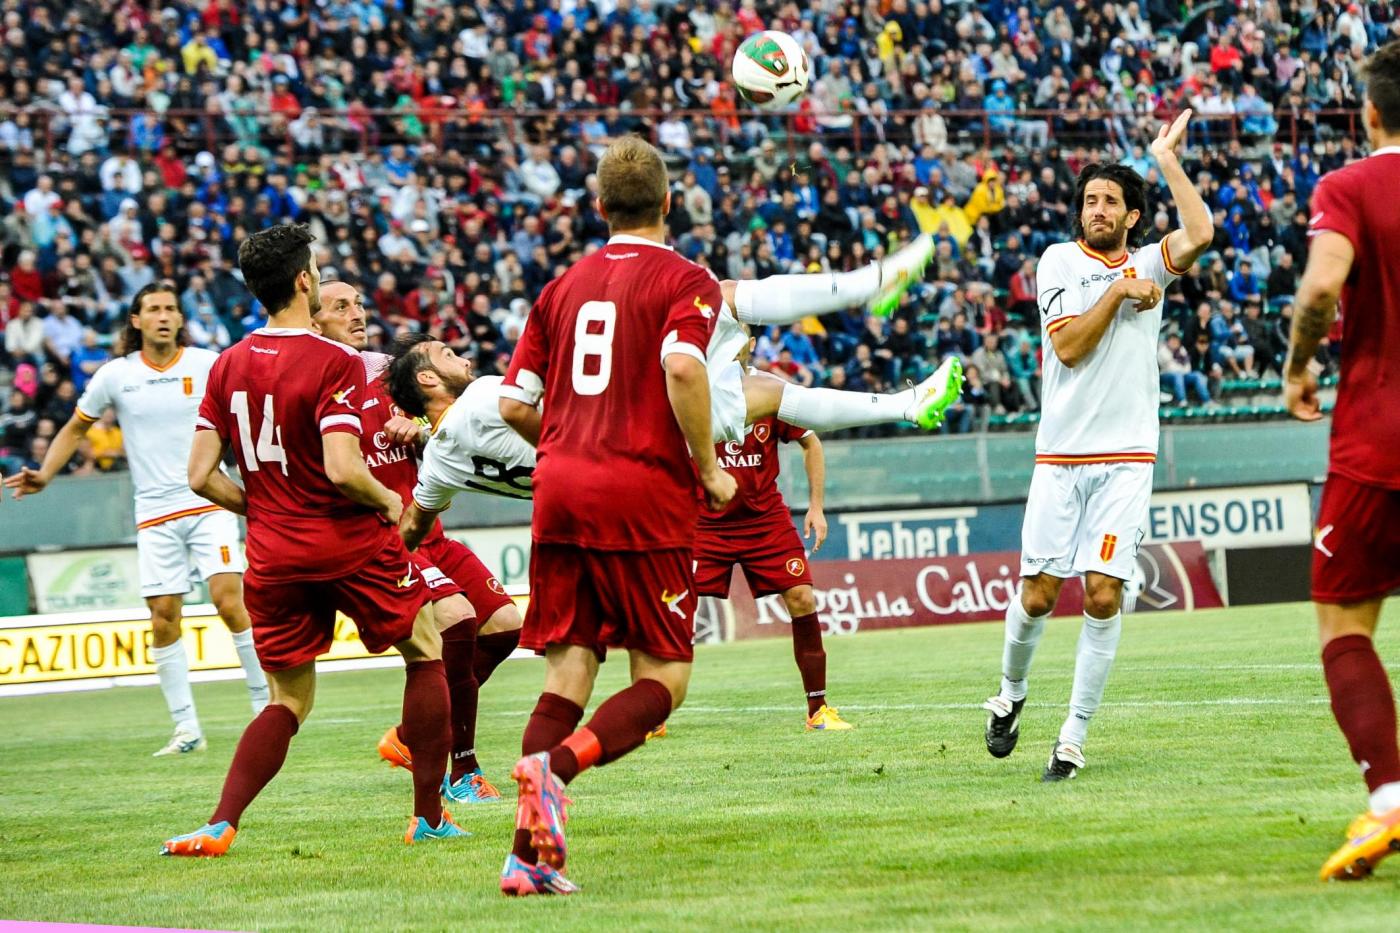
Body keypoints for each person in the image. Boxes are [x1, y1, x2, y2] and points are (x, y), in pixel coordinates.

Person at [159, 224, 465, 857]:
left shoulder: (227, 364)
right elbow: (344, 469)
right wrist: (391, 502)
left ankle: (220, 824)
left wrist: (268, 509)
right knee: (424, 647)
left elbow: (199, 475)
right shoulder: (335, 362)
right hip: (349, 542)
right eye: (319, 270)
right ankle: (429, 817)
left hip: (272, 554)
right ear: (305, 280)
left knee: (288, 699)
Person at [493, 136, 735, 897]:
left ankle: (527, 859)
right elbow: (684, 366)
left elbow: (512, 405)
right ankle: (555, 770)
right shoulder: (686, 279)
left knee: (569, 669)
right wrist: (708, 467)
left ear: (599, 207)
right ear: (669, 203)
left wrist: (571, 443)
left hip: (560, 491)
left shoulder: (560, 288)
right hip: (640, 496)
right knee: (666, 675)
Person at [980, 110, 1214, 782]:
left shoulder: (1149, 261)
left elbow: (1200, 233)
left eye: (1110, 201)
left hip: (1127, 459)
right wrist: (1117, 291)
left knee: (1105, 594)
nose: (1098, 210)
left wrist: (1166, 160)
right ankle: (1011, 693)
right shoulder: (1059, 261)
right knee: (1037, 594)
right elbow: (1069, 348)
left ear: (1132, 216)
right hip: (1060, 458)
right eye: (1090, 201)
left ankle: (1072, 738)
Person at [4, 284, 268, 757]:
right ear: (136, 320)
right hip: (154, 513)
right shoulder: (116, 375)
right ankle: (187, 729)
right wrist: (44, 473)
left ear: (180, 318)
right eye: (153, 309)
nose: (163, 316)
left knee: (230, 601)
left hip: (209, 500)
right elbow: (76, 427)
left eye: (170, 309)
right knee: (163, 618)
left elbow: (248, 412)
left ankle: (264, 707)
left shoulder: (208, 364)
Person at [311, 281, 521, 806]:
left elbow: (444, 419)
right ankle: (462, 769)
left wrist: (419, 427)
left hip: (428, 529)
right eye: (341, 307)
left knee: (505, 625)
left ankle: (413, 733)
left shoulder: (389, 370)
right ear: (313, 321)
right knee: (458, 620)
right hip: (383, 539)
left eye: (359, 304)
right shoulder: (309, 384)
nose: (357, 314)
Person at [1282, 41, 1400, 882]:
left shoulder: (1351, 186)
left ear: (1371, 112)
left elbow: (1322, 289)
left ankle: (1390, 800)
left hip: (1378, 443)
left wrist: (1298, 365)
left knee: (1345, 624)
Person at [694, 342, 847, 731]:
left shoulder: (772, 391)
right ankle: (654, 712)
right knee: (670, 607)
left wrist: (816, 506)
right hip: (704, 521)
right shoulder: (691, 387)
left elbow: (811, 441)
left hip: (764, 521)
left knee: (802, 597)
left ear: (749, 343)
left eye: (738, 336)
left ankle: (818, 710)